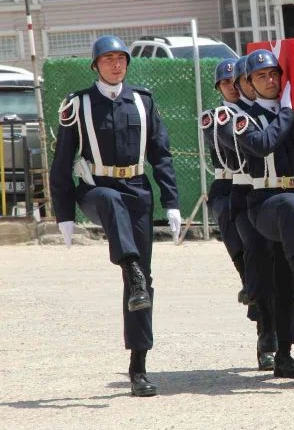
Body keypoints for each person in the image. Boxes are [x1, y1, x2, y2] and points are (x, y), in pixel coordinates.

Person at [50, 35, 181, 397]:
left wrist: (171, 202)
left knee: (142, 285)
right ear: (95, 65)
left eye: (121, 58)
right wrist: (65, 215)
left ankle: (138, 366)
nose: (116, 64)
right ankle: (130, 266)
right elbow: (62, 163)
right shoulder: (78, 104)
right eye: (108, 58)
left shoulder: (142, 101)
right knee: (110, 200)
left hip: (137, 191)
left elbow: (162, 155)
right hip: (96, 189)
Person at [234, 49, 294, 386]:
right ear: (248, 82)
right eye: (262, 76)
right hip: (266, 201)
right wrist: (288, 113)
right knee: (287, 208)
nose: (271, 81)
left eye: (275, 74)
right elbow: (263, 144)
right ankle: (284, 348)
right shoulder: (241, 117)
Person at [200, 57, 276, 372]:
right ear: (218, 87)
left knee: (267, 260)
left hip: (260, 186)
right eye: (226, 83)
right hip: (229, 186)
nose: (233, 87)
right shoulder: (217, 116)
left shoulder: (261, 112)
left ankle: (260, 305)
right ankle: (250, 286)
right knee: (244, 249)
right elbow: (227, 147)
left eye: (237, 81)